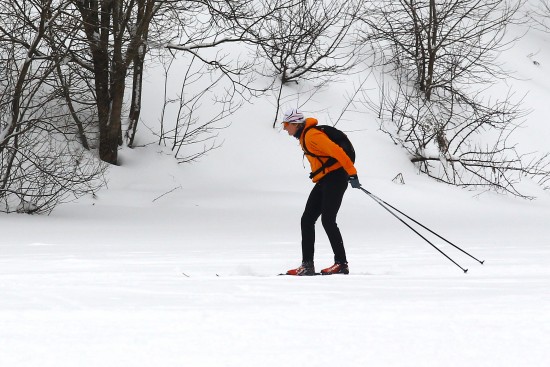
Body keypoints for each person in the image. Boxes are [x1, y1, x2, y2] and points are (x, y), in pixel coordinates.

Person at [282, 109, 361, 276]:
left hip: (336, 177)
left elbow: (337, 152)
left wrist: (352, 173)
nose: (284, 128)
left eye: (286, 124)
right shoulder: (305, 136)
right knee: (307, 219)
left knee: (328, 220)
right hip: (325, 179)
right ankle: (307, 265)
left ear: (295, 124)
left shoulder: (312, 136)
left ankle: (341, 263)